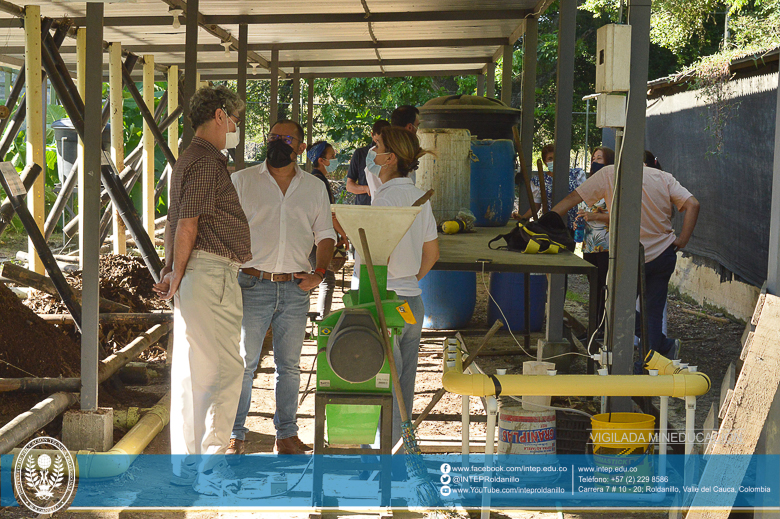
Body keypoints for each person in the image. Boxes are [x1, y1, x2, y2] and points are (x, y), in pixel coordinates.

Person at [153, 85, 251, 494]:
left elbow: (177, 220)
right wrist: (176, 270)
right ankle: (210, 468)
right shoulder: (207, 160)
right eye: (234, 119)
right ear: (218, 115)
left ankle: (188, 468)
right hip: (211, 272)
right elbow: (188, 221)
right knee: (226, 370)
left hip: (198, 271)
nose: (235, 127)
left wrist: (173, 268)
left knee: (196, 372)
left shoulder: (189, 158)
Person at [229, 120, 337, 455]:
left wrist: (318, 273)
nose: (278, 142)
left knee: (289, 365)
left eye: (286, 138)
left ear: (301, 148)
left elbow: (326, 235)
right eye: (273, 136)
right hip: (251, 284)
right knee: (244, 363)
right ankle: (235, 433)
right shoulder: (242, 181)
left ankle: (286, 434)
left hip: (295, 287)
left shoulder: (314, 188)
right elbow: (226, 229)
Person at [550, 156, 700, 371]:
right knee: (652, 312)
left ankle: (652, 355)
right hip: (663, 253)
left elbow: (573, 198)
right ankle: (652, 357)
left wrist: (544, 222)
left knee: (617, 306)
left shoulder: (610, 173)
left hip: (630, 255)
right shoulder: (664, 177)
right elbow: (693, 204)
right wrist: (683, 240)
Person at [353, 127, 439, 476]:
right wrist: (408, 281)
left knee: (378, 378)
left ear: (390, 158)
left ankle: (378, 459)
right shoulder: (420, 197)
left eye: (376, 147)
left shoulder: (384, 200)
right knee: (402, 380)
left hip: (381, 301)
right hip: (409, 302)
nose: (371, 152)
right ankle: (399, 453)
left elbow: (372, 255)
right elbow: (432, 254)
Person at [307, 140, 349, 318]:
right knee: (325, 278)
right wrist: (344, 234)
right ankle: (323, 320)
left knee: (315, 276)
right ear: (321, 160)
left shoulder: (314, 179)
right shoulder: (318, 181)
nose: (335, 159)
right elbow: (329, 214)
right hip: (316, 237)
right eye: (332, 156)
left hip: (310, 236)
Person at [577, 146, 615, 329]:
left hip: (606, 244)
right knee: (593, 287)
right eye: (593, 158)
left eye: (599, 159)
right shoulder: (590, 183)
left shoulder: (613, 184)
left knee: (603, 286)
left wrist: (594, 216)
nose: (594, 162)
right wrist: (581, 220)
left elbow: (617, 215)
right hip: (589, 243)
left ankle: (604, 328)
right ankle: (593, 327)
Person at [518, 143, 587, 231]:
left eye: (556, 158)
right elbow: (536, 207)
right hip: (549, 226)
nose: (554, 161)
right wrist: (522, 218)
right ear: (545, 162)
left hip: (571, 225)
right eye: (550, 159)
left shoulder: (576, 175)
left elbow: (586, 198)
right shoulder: (539, 180)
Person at [346, 119, 390, 205]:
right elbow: (349, 186)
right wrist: (366, 189)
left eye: (385, 141)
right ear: (372, 135)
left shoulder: (393, 155)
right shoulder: (360, 154)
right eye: (378, 141)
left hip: (385, 205)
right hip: (364, 207)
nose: (380, 145)